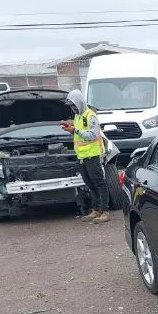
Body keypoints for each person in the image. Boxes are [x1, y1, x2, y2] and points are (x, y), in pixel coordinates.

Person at [60, 89, 109, 223]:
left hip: (92, 155)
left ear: (79, 103)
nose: (73, 109)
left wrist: (74, 130)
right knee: (90, 184)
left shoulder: (90, 116)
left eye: (74, 105)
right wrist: (70, 129)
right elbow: (78, 135)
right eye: (71, 106)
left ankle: (105, 211)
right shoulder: (78, 117)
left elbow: (92, 135)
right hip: (82, 156)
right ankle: (96, 209)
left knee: (99, 183)